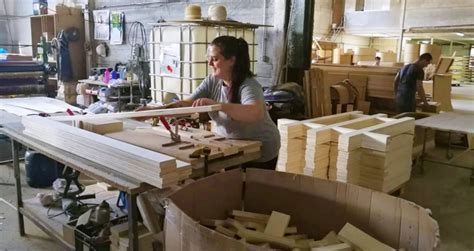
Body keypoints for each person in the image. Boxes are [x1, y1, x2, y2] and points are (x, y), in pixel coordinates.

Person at [137, 36, 280, 169]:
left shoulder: (248, 85)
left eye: (215, 59)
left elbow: (255, 112)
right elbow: (187, 104)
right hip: (233, 145)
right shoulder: (212, 80)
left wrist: (217, 105)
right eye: (209, 58)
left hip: (261, 149)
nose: (210, 63)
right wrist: (153, 112)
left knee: (251, 193)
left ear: (232, 60)